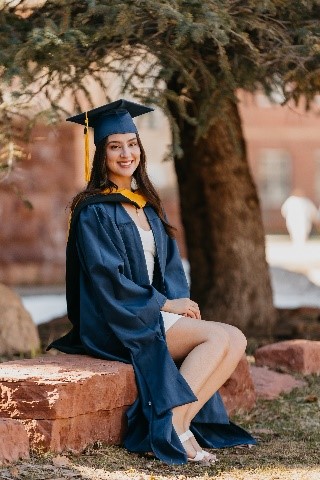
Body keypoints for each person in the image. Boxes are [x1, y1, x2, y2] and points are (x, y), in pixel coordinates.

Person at [48, 99, 256, 465]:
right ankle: (169, 428)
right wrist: (164, 304)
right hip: (117, 317)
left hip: (149, 309)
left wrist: (179, 301)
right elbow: (106, 279)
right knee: (216, 337)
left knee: (235, 337)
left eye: (132, 144)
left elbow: (170, 267)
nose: (126, 154)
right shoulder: (93, 211)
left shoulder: (145, 204)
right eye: (115, 146)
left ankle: (178, 424)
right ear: (100, 154)